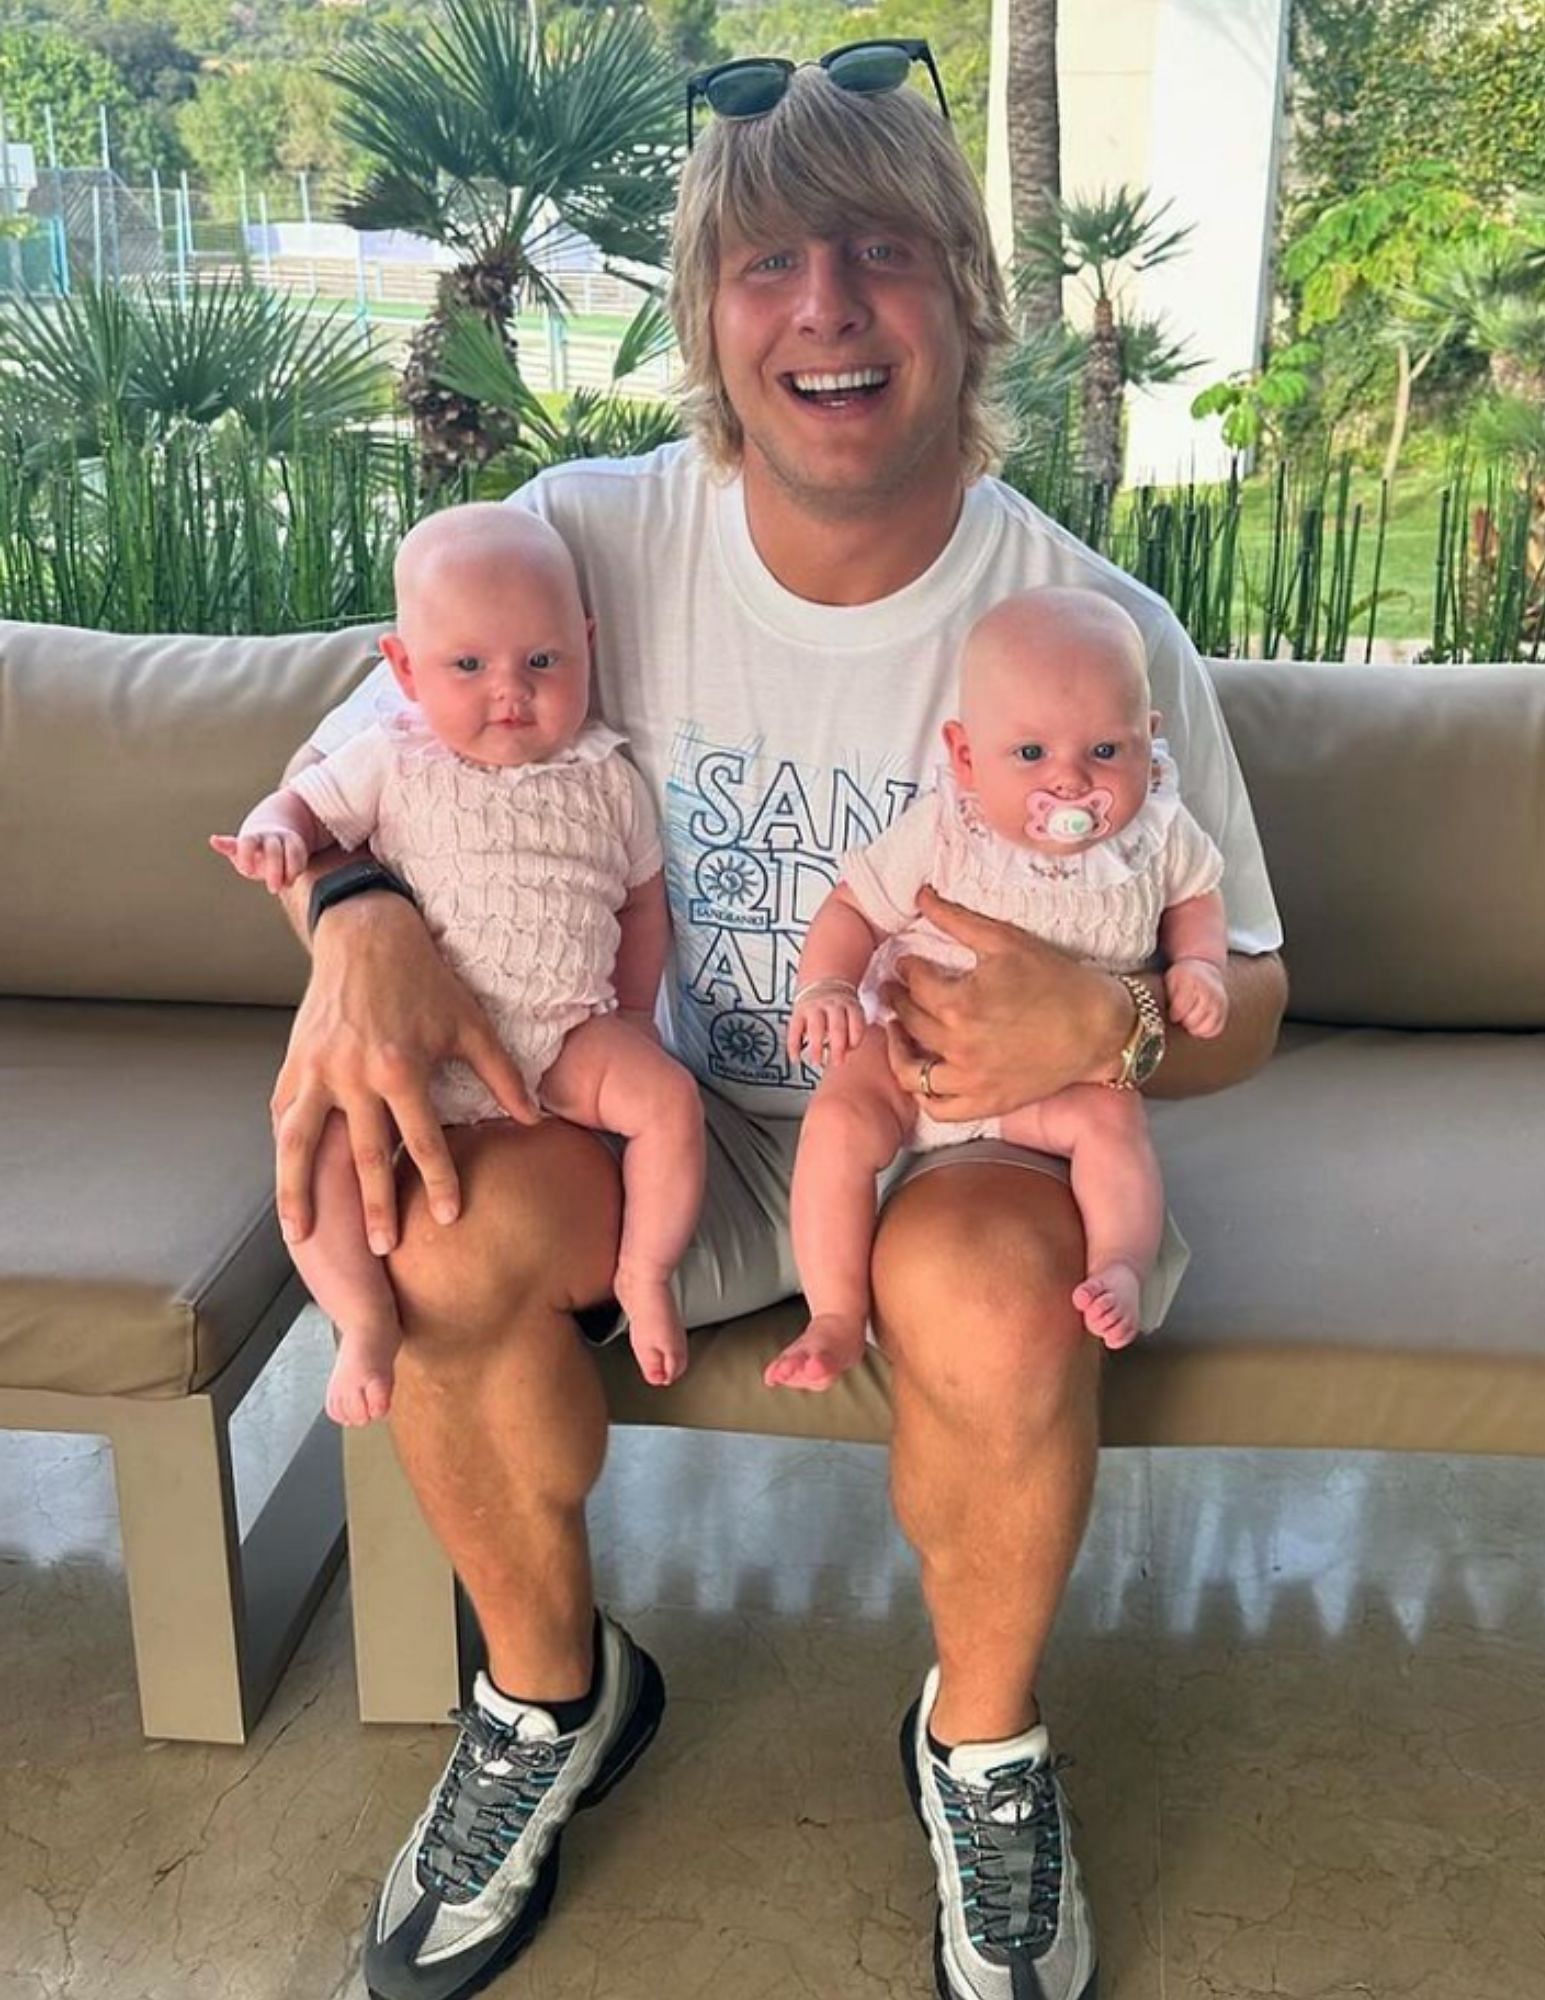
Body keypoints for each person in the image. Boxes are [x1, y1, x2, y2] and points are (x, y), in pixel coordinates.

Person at [272, 51, 1285, 2000]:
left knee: (995, 1293)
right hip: (643, 1105)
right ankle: (553, 1693)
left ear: (964, 303)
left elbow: (1251, 985)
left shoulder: (1088, 632)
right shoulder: (584, 540)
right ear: (705, 316)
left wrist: (1119, 1031)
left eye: (881, 251)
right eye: (764, 260)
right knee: (435, 1225)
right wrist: (355, 908)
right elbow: (367, 743)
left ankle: (979, 1746)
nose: (821, 303)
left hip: (957, 1133)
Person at [213, 504, 704, 1420]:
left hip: (565, 1042)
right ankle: (362, 1317)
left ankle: (644, 1272)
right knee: (310, 1145)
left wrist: (634, 1016)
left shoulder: (608, 775)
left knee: (669, 1104)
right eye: (468, 666)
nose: (508, 691)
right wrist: (271, 834)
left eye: (543, 662)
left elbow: (643, 903)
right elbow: (303, 811)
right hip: (413, 1045)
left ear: (585, 646)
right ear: (403, 669)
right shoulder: (392, 756)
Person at [772, 585, 1230, 1393]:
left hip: (1050, 1084)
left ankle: (1118, 1266)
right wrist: (828, 985)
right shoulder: (948, 827)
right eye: (1028, 756)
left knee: (1112, 1116)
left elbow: (1196, 896)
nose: (1069, 785)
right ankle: (836, 1313)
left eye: (1104, 752)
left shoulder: (1156, 830)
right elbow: (853, 904)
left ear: (1148, 743)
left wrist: (1197, 967)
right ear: (964, 755)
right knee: (839, 1118)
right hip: (910, 1056)